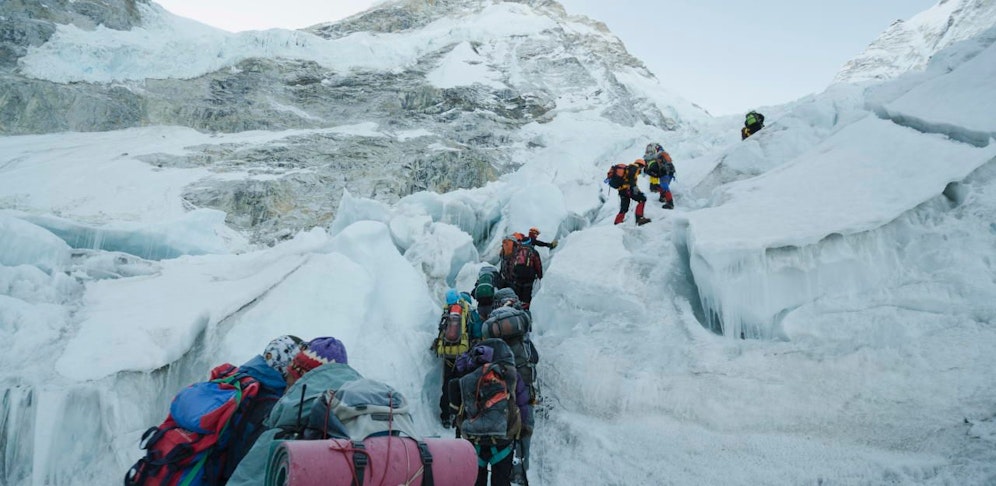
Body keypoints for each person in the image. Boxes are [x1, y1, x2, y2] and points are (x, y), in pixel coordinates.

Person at [227, 336, 361, 486]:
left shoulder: (288, 425)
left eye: (290, 382)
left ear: (303, 383)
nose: (286, 390)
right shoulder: (356, 426)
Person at [448, 340, 532, 486]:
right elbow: (523, 405)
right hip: (503, 440)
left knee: (475, 480)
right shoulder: (511, 375)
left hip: (474, 440)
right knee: (501, 481)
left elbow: (456, 403)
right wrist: (523, 430)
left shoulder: (470, 373)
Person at [614, 159, 651, 225]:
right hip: (628, 189)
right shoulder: (635, 167)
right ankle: (640, 218)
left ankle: (617, 222)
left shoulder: (629, 168)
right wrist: (635, 188)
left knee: (624, 207)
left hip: (621, 190)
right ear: (641, 165)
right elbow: (631, 179)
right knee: (642, 199)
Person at [508, 239, 543, 310]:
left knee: (517, 293)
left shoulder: (517, 251)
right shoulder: (533, 252)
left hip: (517, 275)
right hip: (529, 276)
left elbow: (512, 263)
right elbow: (538, 264)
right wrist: (540, 276)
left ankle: (516, 310)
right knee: (526, 294)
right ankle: (525, 310)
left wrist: (512, 275)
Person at [643, 143, 676, 209]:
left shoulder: (658, 156)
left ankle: (670, 203)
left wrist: (649, 171)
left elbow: (659, 169)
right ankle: (663, 197)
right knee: (661, 185)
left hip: (665, 173)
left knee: (663, 186)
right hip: (667, 173)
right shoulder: (657, 156)